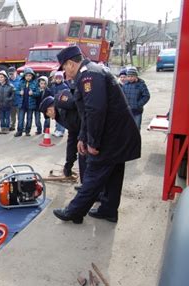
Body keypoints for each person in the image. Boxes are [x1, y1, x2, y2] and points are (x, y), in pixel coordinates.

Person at [52, 46, 141, 224]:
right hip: (118, 134)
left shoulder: (89, 76)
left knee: (94, 173)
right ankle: (108, 210)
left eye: (64, 69)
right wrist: (83, 137)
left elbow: (95, 111)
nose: (65, 74)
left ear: (70, 64)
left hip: (111, 136)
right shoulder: (92, 71)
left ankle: (74, 211)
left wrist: (92, 141)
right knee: (114, 173)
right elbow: (87, 112)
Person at [40, 91, 86, 181]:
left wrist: (82, 136)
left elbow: (82, 110)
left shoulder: (61, 103)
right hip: (84, 133)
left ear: (50, 110)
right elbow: (72, 140)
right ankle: (85, 184)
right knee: (82, 156)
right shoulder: (60, 117)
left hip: (92, 130)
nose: (51, 118)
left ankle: (90, 189)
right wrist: (68, 165)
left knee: (87, 159)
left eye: (48, 115)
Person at [14, 67, 39, 137]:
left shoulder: (35, 83)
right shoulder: (21, 82)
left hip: (30, 105)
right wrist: (19, 92)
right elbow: (16, 91)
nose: (28, 77)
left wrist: (33, 93)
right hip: (22, 105)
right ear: (24, 76)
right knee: (20, 119)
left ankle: (27, 131)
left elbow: (38, 93)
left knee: (29, 119)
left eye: (30, 76)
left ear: (32, 76)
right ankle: (19, 131)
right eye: (27, 75)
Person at [0, 70, 14, 134]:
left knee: (7, 117)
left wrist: (9, 99)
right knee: (1, 117)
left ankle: (7, 128)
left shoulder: (10, 86)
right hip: (0, 105)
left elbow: (12, 95)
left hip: (7, 105)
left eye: (1, 77)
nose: (0, 79)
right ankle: (2, 128)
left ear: (5, 77)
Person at [50, 71, 70, 137]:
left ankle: (61, 131)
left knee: (61, 118)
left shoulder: (64, 86)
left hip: (61, 105)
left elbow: (66, 95)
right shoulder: (53, 86)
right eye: (57, 78)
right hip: (55, 104)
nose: (58, 80)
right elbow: (52, 94)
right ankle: (57, 129)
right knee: (57, 117)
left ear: (62, 79)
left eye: (60, 78)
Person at [7, 67, 21, 131]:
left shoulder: (20, 80)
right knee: (12, 115)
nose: (11, 76)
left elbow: (22, 90)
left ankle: (21, 126)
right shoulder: (8, 81)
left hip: (19, 100)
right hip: (11, 101)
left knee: (20, 116)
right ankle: (12, 126)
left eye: (12, 74)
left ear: (16, 72)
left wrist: (16, 91)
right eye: (9, 74)